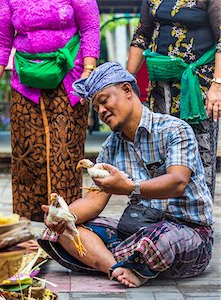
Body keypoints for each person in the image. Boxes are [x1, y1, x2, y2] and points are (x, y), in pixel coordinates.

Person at [38, 62, 213, 288]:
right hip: (137, 230)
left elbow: (177, 182)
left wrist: (131, 188)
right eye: (96, 107)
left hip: (189, 232)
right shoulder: (110, 147)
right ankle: (118, 268)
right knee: (64, 233)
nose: (101, 111)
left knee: (159, 238)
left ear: (127, 91)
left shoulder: (175, 129)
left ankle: (124, 259)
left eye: (104, 101)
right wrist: (61, 216)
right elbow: (94, 200)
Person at [0, 0, 101, 221]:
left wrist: (88, 71)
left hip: (69, 80)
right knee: (28, 154)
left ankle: (65, 223)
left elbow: (90, 27)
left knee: (64, 155)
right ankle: (28, 225)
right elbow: (0, 40)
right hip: (26, 82)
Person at [126, 0, 221, 198]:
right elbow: (141, 36)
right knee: (160, 147)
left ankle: (198, 214)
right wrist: (125, 81)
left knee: (198, 150)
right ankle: (162, 212)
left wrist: (217, 85)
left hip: (197, 88)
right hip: (160, 88)